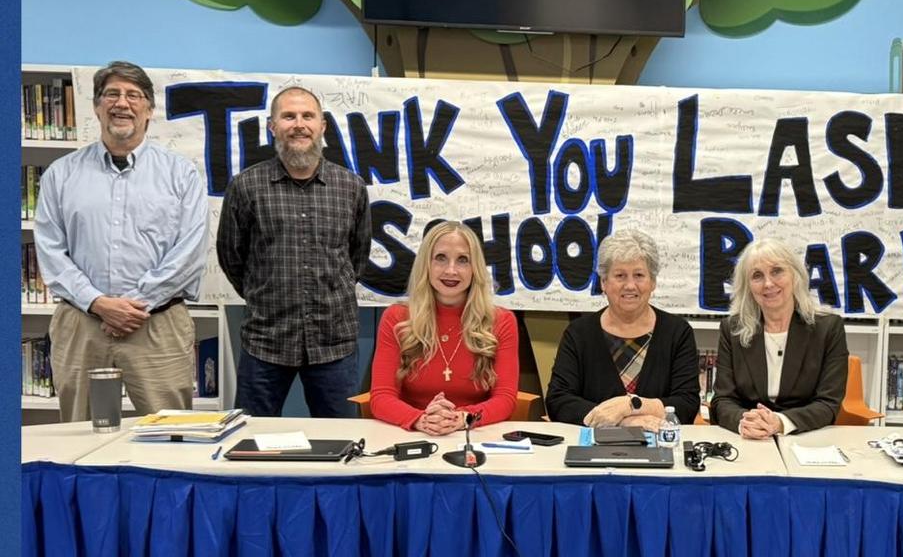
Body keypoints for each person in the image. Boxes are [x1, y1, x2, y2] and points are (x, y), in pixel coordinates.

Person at [34, 61, 208, 421]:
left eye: (134, 95)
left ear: (149, 110)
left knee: (171, 435)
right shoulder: (60, 175)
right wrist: (98, 303)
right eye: (111, 94)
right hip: (82, 324)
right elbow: (51, 250)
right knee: (79, 437)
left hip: (157, 325)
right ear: (97, 106)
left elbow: (189, 252)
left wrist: (133, 307)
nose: (122, 103)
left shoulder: (181, 175)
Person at [217, 85, 371, 417]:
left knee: (343, 443)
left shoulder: (352, 187)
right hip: (266, 341)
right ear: (272, 126)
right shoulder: (245, 186)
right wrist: (263, 294)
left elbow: (357, 256)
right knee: (248, 443)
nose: (298, 124)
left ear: (322, 126)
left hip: (334, 343)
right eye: (288, 116)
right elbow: (232, 256)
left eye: (307, 116)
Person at [366, 222, 518, 433]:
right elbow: (381, 397)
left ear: (476, 269)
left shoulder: (502, 321)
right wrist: (420, 419)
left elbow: (505, 399)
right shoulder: (397, 317)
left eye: (463, 260)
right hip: (413, 435)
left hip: (472, 435)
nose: (451, 270)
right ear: (426, 265)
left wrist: (462, 418)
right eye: (440, 258)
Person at [546, 228, 700, 429]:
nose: (630, 285)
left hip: (659, 448)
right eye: (620, 275)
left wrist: (630, 406)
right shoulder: (578, 334)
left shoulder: (678, 332)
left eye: (639, 275)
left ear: (652, 282)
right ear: (603, 282)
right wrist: (627, 421)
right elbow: (558, 401)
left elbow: (687, 405)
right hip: (592, 449)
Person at [709, 238, 849, 439]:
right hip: (750, 438)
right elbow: (722, 400)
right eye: (757, 276)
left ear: (795, 275)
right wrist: (745, 422)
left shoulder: (828, 328)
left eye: (777, 271)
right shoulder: (732, 329)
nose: (768, 283)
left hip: (804, 436)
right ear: (747, 286)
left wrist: (780, 423)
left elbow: (828, 403)